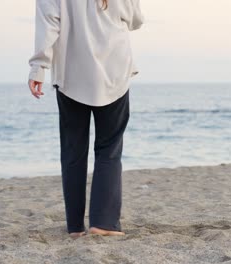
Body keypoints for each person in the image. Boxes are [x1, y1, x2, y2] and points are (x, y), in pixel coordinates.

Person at [27, 0, 144, 238]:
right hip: (114, 72)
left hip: (72, 74)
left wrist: (38, 68)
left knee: (73, 150)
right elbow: (136, 20)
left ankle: (75, 227)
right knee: (109, 149)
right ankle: (104, 223)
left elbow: (49, 23)